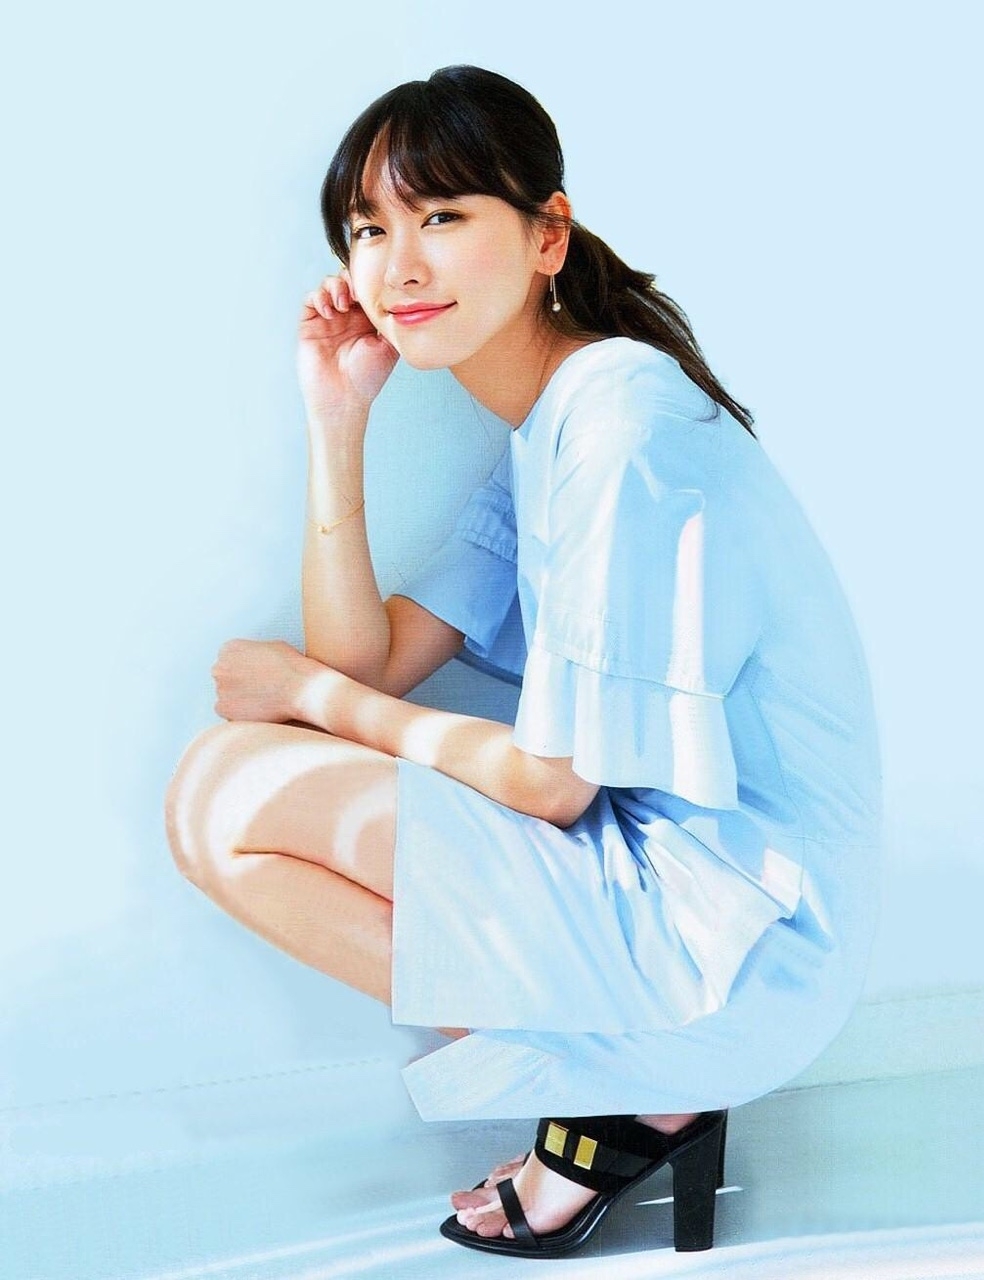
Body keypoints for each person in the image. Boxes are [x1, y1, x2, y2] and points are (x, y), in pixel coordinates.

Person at [164, 65, 881, 1259]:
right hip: (670, 901)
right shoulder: (551, 424)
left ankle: (620, 1090)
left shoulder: (621, 427)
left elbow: (548, 779)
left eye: (441, 217)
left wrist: (308, 693)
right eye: (368, 229)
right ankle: (621, 1088)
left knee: (232, 789)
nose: (397, 266)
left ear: (548, 235)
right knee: (220, 781)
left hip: (744, 952)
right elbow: (371, 659)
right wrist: (337, 417)